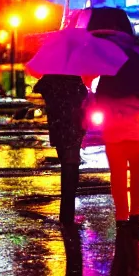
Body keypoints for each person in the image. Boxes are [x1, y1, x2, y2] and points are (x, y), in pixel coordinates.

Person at [33, 74, 88, 225]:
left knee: (66, 165)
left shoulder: (50, 80)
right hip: (73, 127)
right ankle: (67, 216)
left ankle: (66, 215)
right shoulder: (76, 81)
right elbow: (84, 97)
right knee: (71, 167)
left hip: (58, 128)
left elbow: (37, 88)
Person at [96, 92, 139, 239]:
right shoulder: (135, 83)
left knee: (118, 176)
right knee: (137, 175)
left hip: (114, 133)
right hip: (136, 132)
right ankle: (135, 214)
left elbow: (99, 104)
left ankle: (121, 216)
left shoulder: (107, 84)